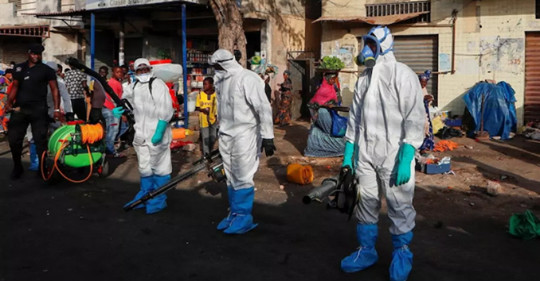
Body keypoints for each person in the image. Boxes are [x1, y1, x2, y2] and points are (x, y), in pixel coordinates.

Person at [340, 26, 425, 281]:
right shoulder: (364, 79)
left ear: (385, 46)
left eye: (373, 44)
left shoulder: (403, 75)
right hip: (365, 153)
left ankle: (402, 251)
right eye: (367, 44)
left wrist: (407, 155)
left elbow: (415, 118)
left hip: (394, 154)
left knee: (399, 204)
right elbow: (354, 118)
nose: (368, 50)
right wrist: (348, 154)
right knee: (365, 202)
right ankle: (366, 250)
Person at [209, 49, 275, 234]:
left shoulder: (248, 78)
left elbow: (263, 108)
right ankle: (235, 212)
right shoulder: (221, 81)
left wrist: (268, 136)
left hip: (245, 135)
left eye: (217, 66)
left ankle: (244, 217)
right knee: (230, 176)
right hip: (226, 135)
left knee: (243, 176)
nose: (215, 70)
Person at [122, 58, 174, 214]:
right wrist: (120, 109)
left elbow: (166, 109)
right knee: (145, 168)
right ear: (135, 72)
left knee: (161, 168)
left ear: (150, 69)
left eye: (145, 69)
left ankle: (158, 200)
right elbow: (126, 102)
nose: (143, 72)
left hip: (157, 134)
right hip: (141, 135)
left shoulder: (157, 84)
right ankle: (144, 196)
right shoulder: (134, 86)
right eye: (140, 70)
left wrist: (159, 130)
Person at [5, 44, 61, 179]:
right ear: (28, 53)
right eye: (34, 54)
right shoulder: (19, 68)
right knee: (14, 140)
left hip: (39, 110)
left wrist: (57, 109)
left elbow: (55, 90)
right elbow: (15, 87)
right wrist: (8, 103)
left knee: (40, 140)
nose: (36, 56)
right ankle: (17, 166)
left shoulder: (47, 70)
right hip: (20, 109)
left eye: (39, 54)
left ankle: (42, 169)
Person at [304, 72, 345, 157]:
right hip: (322, 113)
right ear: (327, 79)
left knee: (335, 130)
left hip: (330, 113)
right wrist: (325, 105)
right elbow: (312, 104)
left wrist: (334, 105)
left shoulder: (332, 88)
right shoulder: (322, 89)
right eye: (332, 79)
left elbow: (336, 101)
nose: (333, 81)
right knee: (330, 130)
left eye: (334, 79)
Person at [103, 66, 125, 157]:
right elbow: (114, 99)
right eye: (117, 72)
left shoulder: (115, 82)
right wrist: (120, 113)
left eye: (121, 72)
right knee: (113, 130)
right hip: (113, 110)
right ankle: (110, 150)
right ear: (113, 72)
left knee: (118, 128)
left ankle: (109, 146)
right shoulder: (114, 83)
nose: (119, 74)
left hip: (112, 109)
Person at [195, 77, 218, 156]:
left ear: (211, 85)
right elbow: (197, 107)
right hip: (203, 120)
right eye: (203, 84)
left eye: (205, 84)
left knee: (213, 137)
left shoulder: (216, 95)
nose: (204, 86)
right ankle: (206, 155)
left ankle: (210, 151)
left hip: (213, 120)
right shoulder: (200, 95)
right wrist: (203, 110)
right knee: (205, 138)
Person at [419, 70, 435, 152]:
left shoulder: (424, 89)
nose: (423, 85)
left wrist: (429, 98)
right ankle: (421, 147)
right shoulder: (416, 89)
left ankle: (426, 145)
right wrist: (423, 99)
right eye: (422, 83)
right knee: (422, 127)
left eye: (425, 83)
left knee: (428, 127)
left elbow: (427, 98)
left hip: (425, 112)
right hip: (418, 112)